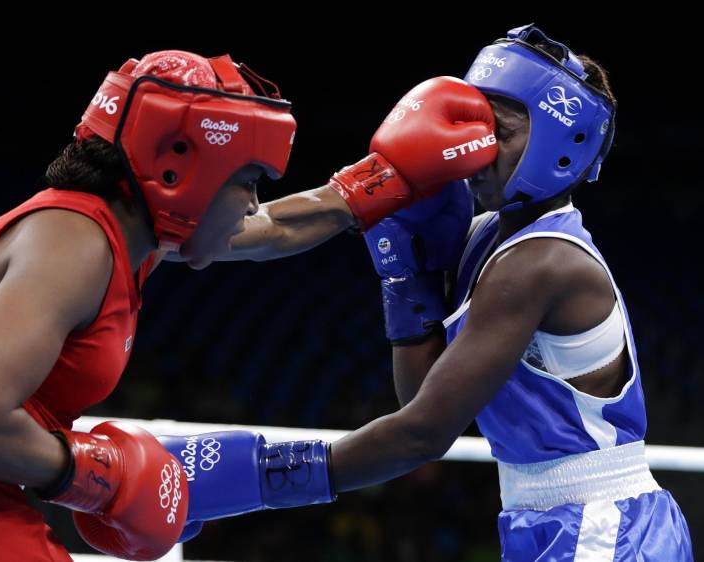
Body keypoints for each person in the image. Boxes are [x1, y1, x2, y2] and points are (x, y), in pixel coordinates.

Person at [0, 47, 495, 561]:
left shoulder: (126, 237)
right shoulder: (72, 244)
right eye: (247, 182)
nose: (253, 205)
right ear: (181, 173)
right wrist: (105, 478)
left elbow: (272, 232)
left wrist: (375, 183)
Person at [158, 24, 694, 561]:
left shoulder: (541, 263)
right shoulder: (484, 237)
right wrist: (405, 278)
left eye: (500, 132)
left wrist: (256, 478)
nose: (479, 149)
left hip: (605, 526)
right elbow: (418, 397)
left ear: (561, 146)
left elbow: (424, 433)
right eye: (476, 125)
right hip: (552, 519)